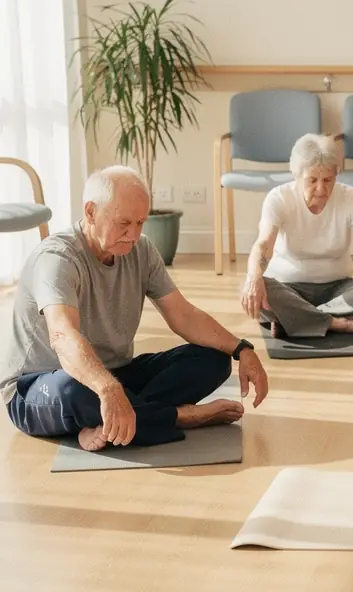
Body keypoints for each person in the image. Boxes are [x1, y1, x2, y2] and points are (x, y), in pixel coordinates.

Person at [1, 166, 269, 452]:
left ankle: (120, 418)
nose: (133, 234)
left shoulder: (141, 250)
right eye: (124, 223)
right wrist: (107, 389)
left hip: (115, 372)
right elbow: (63, 337)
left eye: (140, 222)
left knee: (214, 358)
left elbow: (184, 315)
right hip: (38, 387)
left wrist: (242, 349)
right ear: (90, 212)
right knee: (74, 389)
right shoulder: (56, 259)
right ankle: (177, 416)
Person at [241, 134, 353, 339]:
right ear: (296, 175)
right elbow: (264, 245)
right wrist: (254, 278)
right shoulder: (278, 198)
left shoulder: (350, 196)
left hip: (339, 288)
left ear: (337, 174)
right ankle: (341, 324)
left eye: (328, 180)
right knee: (257, 289)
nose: (321, 189)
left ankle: (296, 320)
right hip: (289, 289)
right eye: (312, 180)